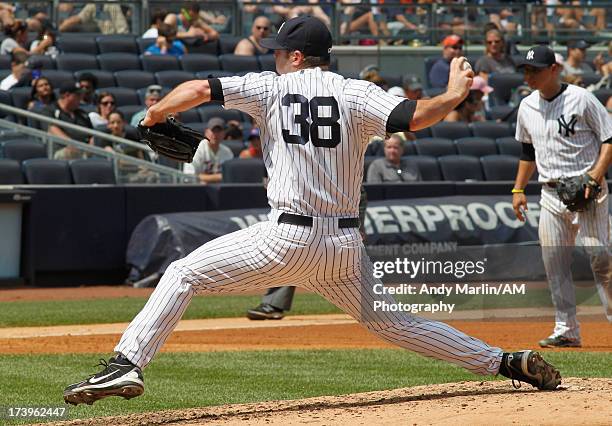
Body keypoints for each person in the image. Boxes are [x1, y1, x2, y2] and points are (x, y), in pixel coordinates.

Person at [63, 15, 561, 406]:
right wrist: (454, 92)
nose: (274, 58)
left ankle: (127, 362)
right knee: (393, 323)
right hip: (343, 245)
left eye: (279, 52)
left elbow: (197, 90)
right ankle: (505, 362)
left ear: (297, 57)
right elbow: (417, 116)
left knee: (181, 275)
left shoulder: (270, 87)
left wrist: (154, 114)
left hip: (287, 238)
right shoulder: (355, 92)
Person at [511, 45, 612, 348]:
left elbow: (609, 137)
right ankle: (566, 329)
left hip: (588, 190)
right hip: (550, 193)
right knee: (554, 261)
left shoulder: (581, 99)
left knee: (601, 259)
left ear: (554, 70)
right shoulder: (526, 106)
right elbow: (527, 151)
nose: (529, 75)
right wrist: (518, 189)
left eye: (535, 70)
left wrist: (595, 175)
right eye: (526, 70)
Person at [184, 117, 234, 183]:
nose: (215, 134)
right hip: (197, 189)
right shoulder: (195, 150)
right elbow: (189, 177)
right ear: (206, 132)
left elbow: (231, 177)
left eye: (219, 131)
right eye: (213, 130)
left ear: (224, 134)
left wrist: (205, 177)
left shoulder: (227, 152)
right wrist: (218, 177)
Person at [59, 3, 129, 35]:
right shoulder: (93, 5)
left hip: (115, 41)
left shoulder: (113, 5)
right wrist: (59, 28)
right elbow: (77, 19)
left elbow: (123, 31)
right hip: (103, 41)